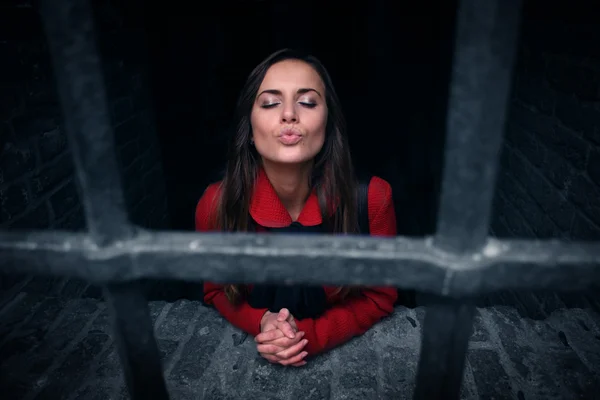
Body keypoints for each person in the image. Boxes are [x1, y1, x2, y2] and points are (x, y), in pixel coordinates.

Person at [195, 49, 397, 367]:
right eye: (271, 102)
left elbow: (380, 297)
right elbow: (215, 291)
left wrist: (309, 337)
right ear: (248, 126)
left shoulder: (371, 198)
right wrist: (261, 321)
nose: (289, 114)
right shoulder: (216, 204)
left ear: (329, 123)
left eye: (307, 102)